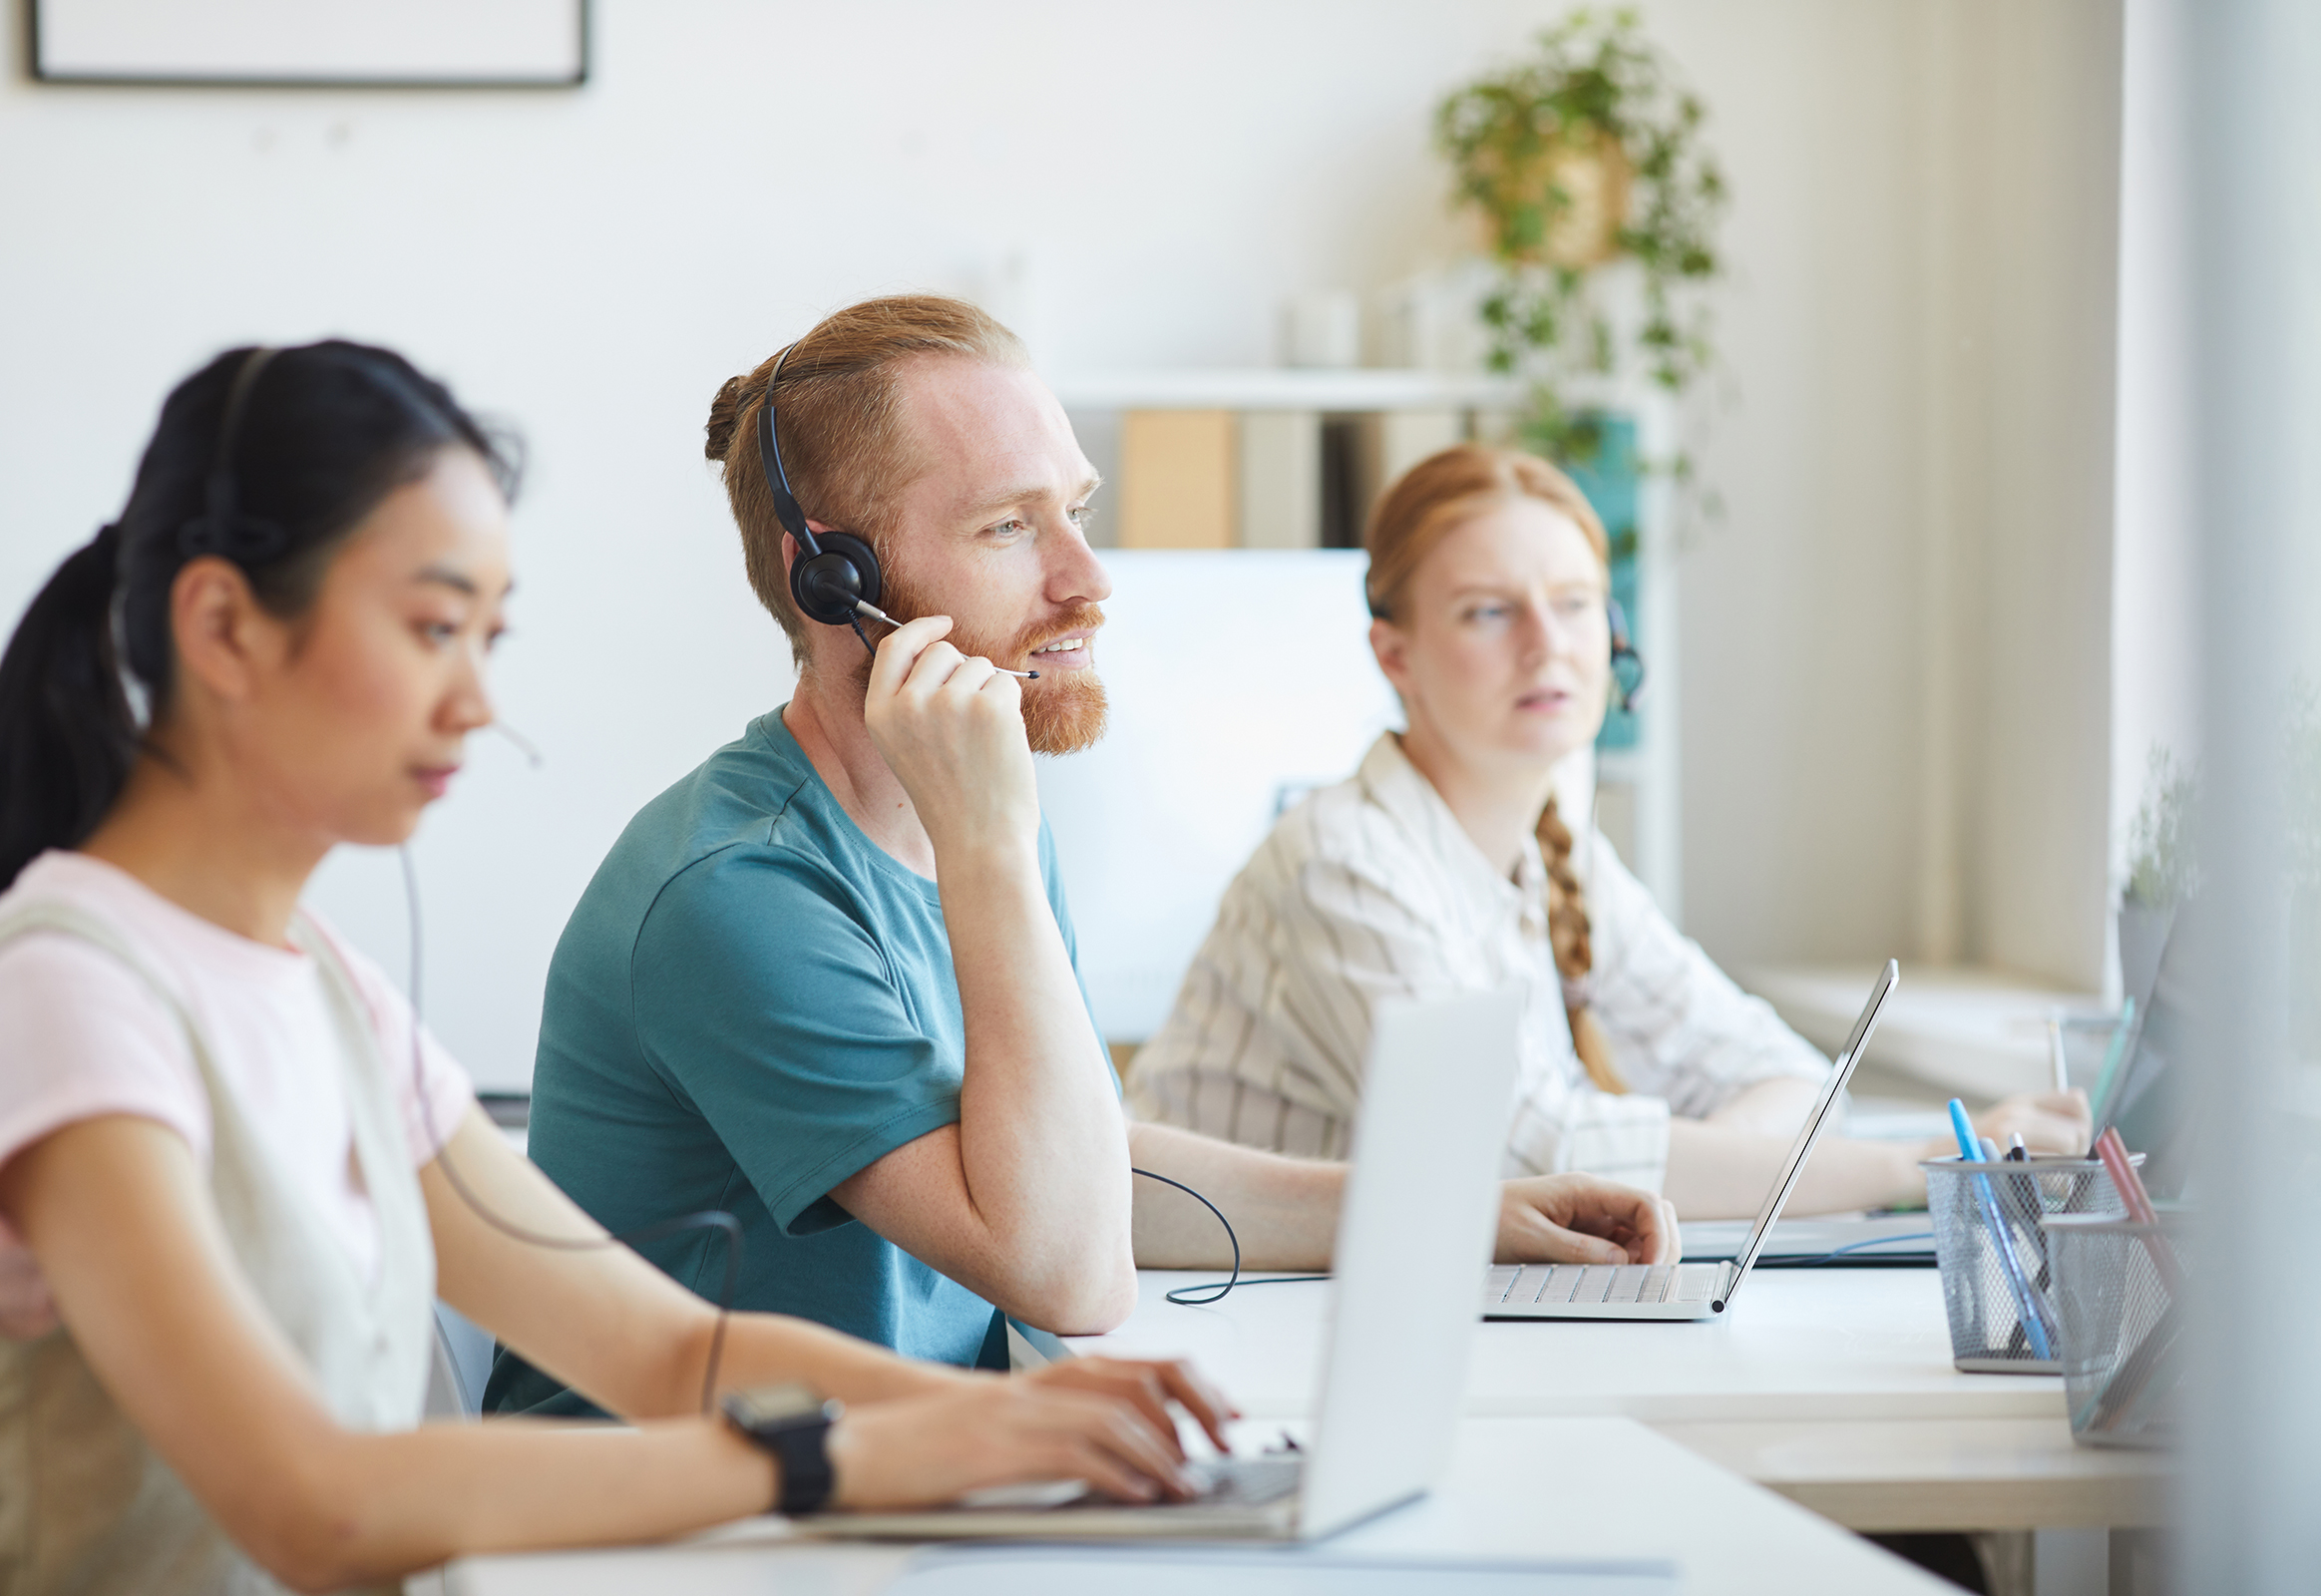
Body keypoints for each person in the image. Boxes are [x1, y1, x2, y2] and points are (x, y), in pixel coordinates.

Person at [0, 341, 1241, 1595]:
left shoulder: (320, 987)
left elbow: (669, 1356)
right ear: (221, 626)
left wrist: (1018, 1425)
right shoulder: (72, 988)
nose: (480, 702)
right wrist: (846, 1456)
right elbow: (306, 1502)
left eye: (490, 635)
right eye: (436, 627)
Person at [491, 297, 1678, 1415]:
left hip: (884, 1481)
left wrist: (1459, 1209)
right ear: (832, 582)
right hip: (672, 1537)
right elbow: (1068, 1272)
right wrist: (994, 846)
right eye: (1009, 526)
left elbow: (1085, 1169)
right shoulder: (740, 892)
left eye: (1079, 510)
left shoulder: (968, 820)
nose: (1089, 579)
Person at [1125, 444, 2090, 1220]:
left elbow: (1787, 1073)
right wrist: (1910, 1163)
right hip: (1209, 1329)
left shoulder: (1560, 848)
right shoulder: (1340, 862)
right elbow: (1536, 1165)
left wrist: (1729, 1162)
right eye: (1489, 611)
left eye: (1576, 604)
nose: (1548, 645)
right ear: (1396, 655)